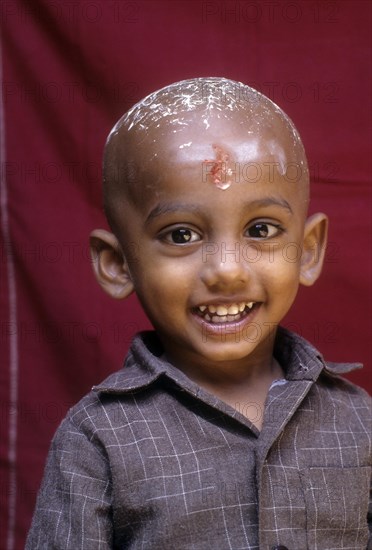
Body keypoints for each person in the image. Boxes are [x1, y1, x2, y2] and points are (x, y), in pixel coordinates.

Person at [26, 77, 371, 549]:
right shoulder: (99, 440)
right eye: (181, 235)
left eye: (261, 229)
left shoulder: (358, 421)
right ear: (117, 264)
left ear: (307, 251)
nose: (227, 271)